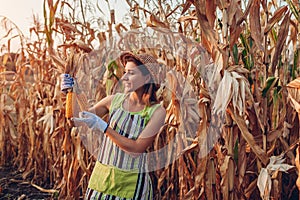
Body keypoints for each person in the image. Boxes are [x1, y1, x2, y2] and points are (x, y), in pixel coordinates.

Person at [61, 51, 166, 200]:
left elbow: (136, 149)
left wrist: (103, 127)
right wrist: (71, 93)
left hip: (131, 186)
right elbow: (76, 120)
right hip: (102, 181)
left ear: (147, 78)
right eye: (124, 72)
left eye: (131, 73)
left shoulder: (157, 112)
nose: (124, 77)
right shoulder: (113, 101)